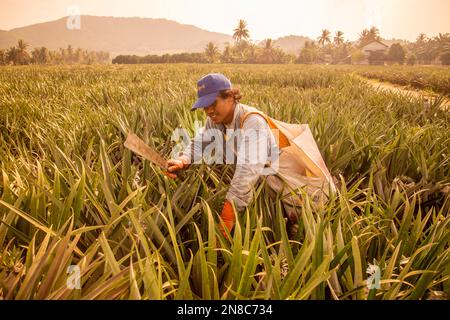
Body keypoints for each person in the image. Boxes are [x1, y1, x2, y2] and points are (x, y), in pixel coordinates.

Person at [167, 73, 335, 238]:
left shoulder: (252, 121)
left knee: (299, 235)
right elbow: (201, 141)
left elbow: (248, 168)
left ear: (231, 97)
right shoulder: (215, 120)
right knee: (268, 226)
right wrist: (184, 159)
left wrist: (229, 211)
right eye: (205, 106)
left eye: (213, 103)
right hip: (264, 187)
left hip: (290, 187)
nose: (208, 110)